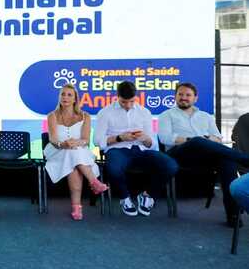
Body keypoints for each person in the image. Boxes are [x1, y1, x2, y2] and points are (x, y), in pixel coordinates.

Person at [158, 82, 249, 226]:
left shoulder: (206, 116)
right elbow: (165, 138)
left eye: (188, 95)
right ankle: (244, 159)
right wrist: (192, 140)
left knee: (227, 162)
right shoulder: (166, 115)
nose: (183, 98)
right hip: (179, 156)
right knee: (197, 141)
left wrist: (205, 139)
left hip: (205, 156)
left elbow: (218, 138)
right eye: (180, 94)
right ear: (175, 96)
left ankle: (233, 215)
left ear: (195, 98)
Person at [94, 81, 178, 217]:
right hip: (117, 150)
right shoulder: (105, 113)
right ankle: (125, 198)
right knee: (114, 169)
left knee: (171, 165)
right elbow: (97, 141)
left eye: (131, 101)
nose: (128, 105)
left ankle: (147, 195)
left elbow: (152, 144)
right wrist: (120, 138)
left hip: (141, 150)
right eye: (124, 102)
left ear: (136, 97)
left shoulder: (144, 112)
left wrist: (145, 138)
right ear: (117, 96)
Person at [44, 84, 108, 220]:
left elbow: (85, 139)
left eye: (69, 95)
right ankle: (93, 182)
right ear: (59, 97)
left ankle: (76, 208)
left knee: (73, 160)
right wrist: (63, 144)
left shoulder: (85, 116)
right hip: (57, 151)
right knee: (71, 154)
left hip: (79, 151)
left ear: (75, 99)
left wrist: (75, 143)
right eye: (63, 94)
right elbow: (53, 139)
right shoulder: (52, 116)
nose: (65, 97)